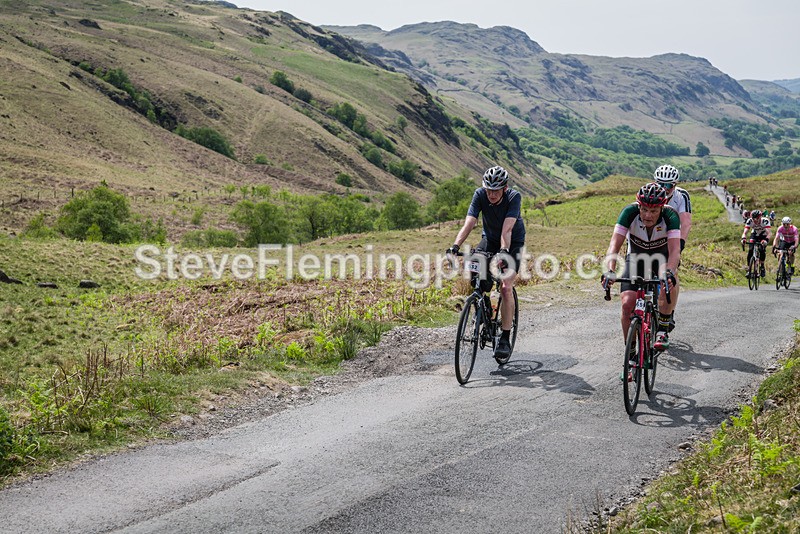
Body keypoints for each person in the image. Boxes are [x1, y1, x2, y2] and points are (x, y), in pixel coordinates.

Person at [447, 165, 526, 359]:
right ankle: (484, 308)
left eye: (496, 190)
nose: (491, 194)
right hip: (489, 239)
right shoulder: (479, 195)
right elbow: (470, 222)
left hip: (512, 242)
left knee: (506, 286)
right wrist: (455, 246)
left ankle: (505, 338)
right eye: (488, 189)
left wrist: (503, 253)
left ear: (504, 188)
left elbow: (506, 231)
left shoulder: (513, 198)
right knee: (477, 271)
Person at [603, 182, 681, 351]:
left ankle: (662, 328)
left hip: (662, 258)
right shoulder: (629, 213)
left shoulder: (671, 216)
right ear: (638, 206)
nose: (648, 215)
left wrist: (670, 272)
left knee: (668, 283)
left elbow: (675, 250)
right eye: (644, 209)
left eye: (653, 211)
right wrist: (610, 270)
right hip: (636, 258)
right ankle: (630, 354)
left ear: (662, 208)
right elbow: (614, 246)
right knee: (627, 304)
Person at [653, 164, 690, 333]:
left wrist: (679, 246)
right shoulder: (649, 192)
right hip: (652, 237)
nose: (664, 188)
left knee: (671, 274)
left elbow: (686, 222)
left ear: (674, 185)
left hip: (672, 237)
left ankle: (670, 311)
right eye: (661, 184)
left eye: (668, 185)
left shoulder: (681, 196)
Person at [741, 209, 772, 278]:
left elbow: (769, 233)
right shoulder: (750, 221)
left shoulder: (765, 221)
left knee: (761, 249)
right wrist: (743, 238)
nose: (755, 220)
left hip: (763, 235)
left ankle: (762, 266)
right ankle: (749, 270)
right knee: (750, 250)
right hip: (754, 234)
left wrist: (766, 240)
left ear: (760, 217)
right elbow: (745, 232)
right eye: (753, 218)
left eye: (757, 218)